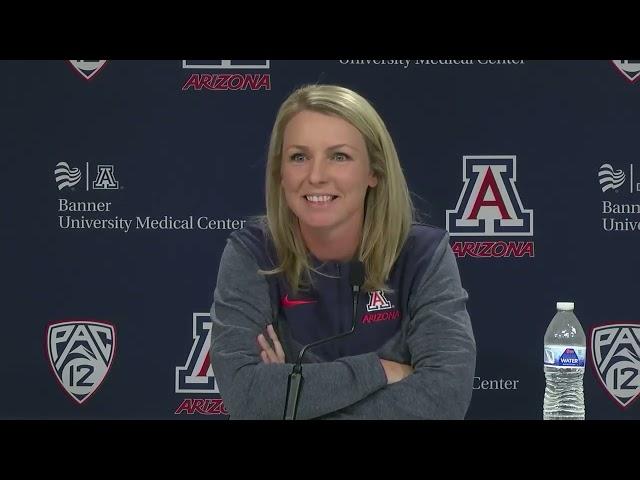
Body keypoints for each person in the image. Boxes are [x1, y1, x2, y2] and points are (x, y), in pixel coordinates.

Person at [209, 84, 476, 419]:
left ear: (374, 172)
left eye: (339, 156)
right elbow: (247, 398)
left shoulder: (423, 256)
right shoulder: (253, 254)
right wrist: (380, 371)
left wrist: (289, 400)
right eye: (299, 157)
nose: (316, 176)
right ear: (280, 172)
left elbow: (444, 399)